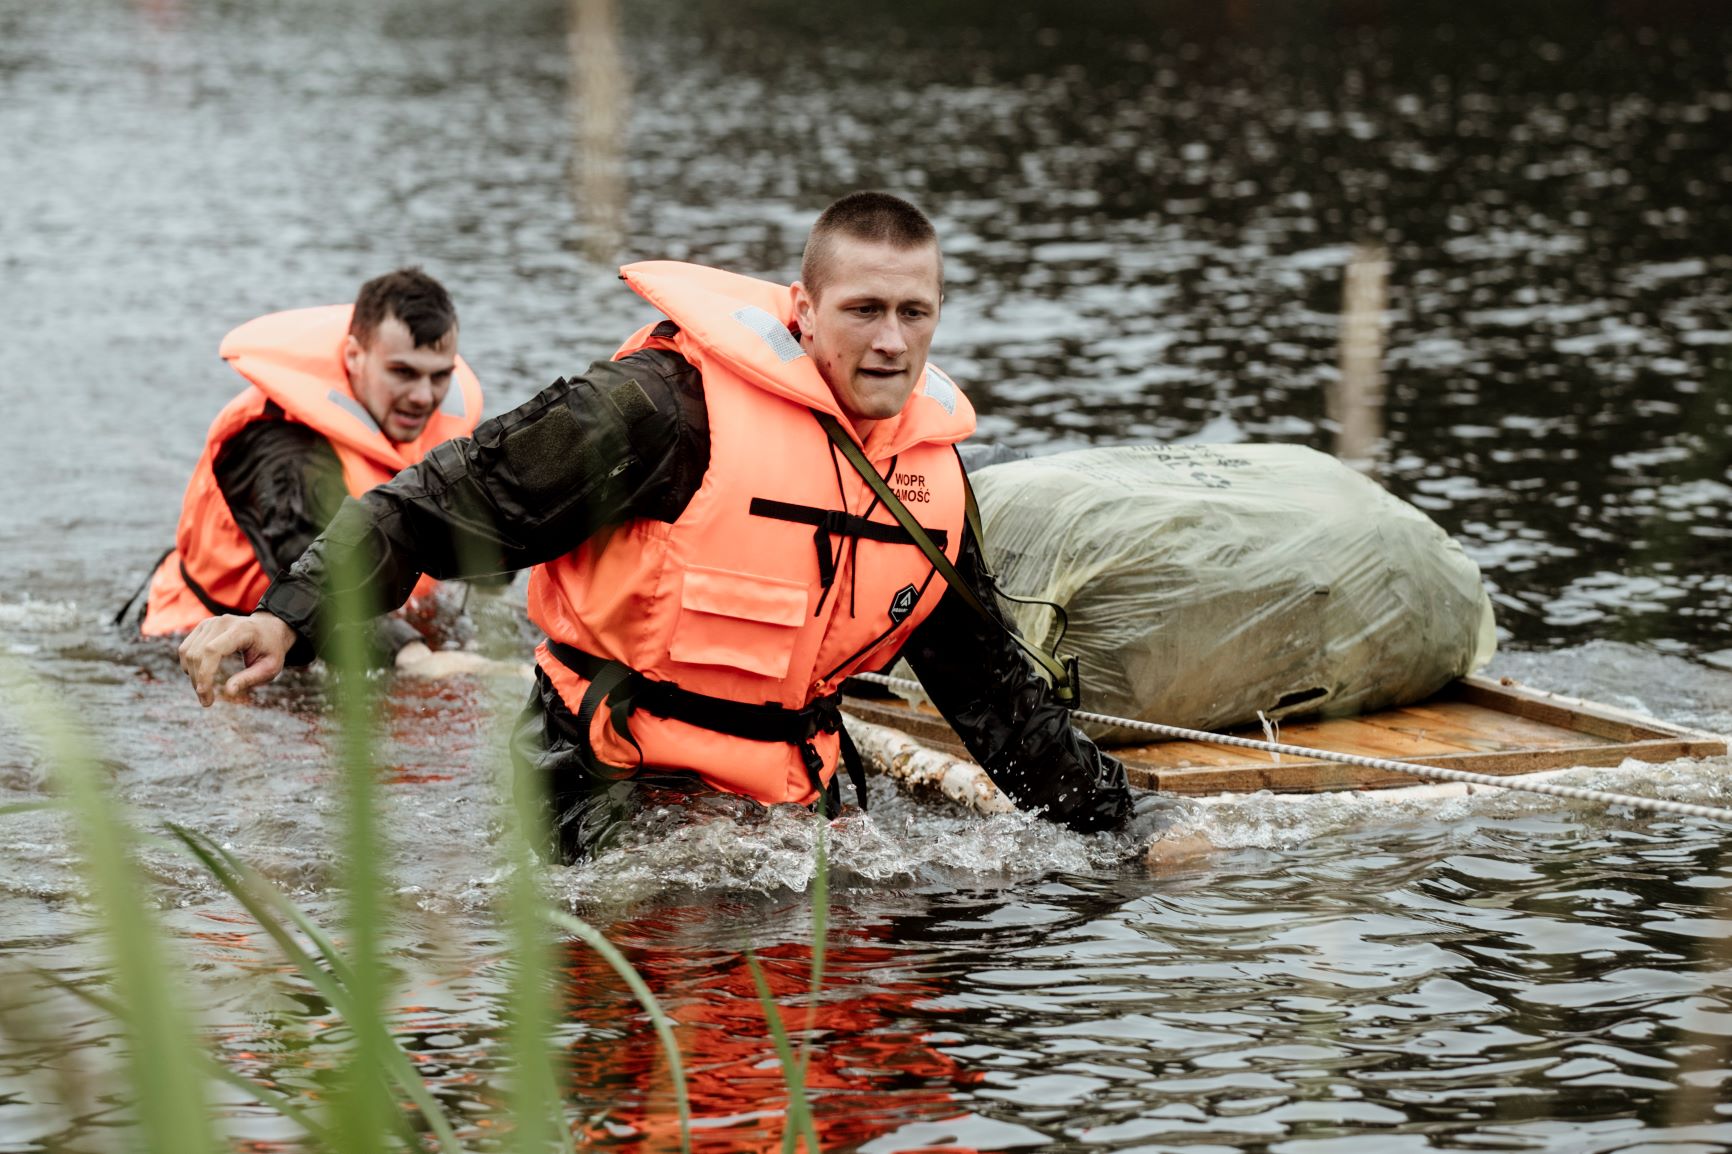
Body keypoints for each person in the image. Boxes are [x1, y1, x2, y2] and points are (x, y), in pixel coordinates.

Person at [179, 193, 1132, 859]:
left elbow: (996, 699)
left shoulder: (928, 483)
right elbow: (440, 499)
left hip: (789, 797)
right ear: (803, 311)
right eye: (864, 309)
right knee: (693, 942)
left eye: (913, 313)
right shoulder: (661, 410)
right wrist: (289, 618)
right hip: (600, 775)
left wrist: (1127, 830)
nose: (890, 340)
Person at [137, 268, 488, 668]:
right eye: (403, 372)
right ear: (355, 356)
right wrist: (416, 659)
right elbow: (316, 578)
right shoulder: (277, 449)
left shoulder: (422, 423)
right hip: (199, 650)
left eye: (440, 376)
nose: (424, 397)